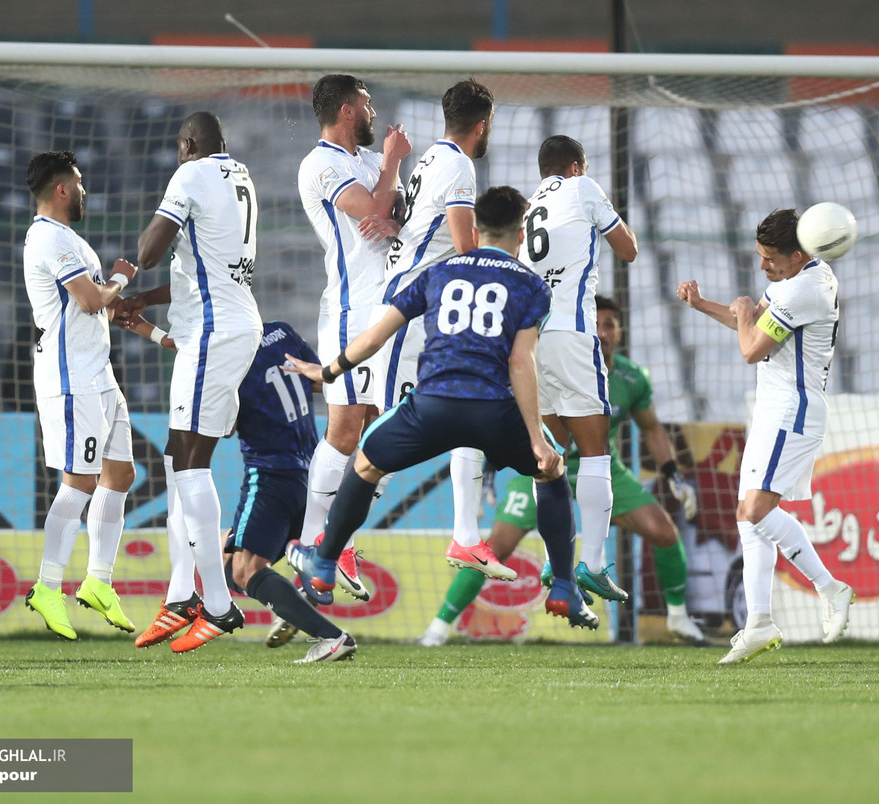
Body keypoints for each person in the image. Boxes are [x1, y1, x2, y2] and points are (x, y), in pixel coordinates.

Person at [283, 186, 599, 630]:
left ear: (474, 229)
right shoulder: (531, 287)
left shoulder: (440, 272)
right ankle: (564, 587)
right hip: (494, 410)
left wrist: (330, 371)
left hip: (432, 406)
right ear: (521, 232)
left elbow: (377, 335)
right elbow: (520, 362)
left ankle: (324, 564)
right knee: (552, 469)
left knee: (366, 461)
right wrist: (533, 438)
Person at [419, 295, 706, 646]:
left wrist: (671, 472)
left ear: (619, 332)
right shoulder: (550, 364)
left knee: (663, 531)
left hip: (603, 470)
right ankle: (438, 627)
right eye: (596, 323)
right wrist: (492, 465)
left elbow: (651, 428)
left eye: (609, 325)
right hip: (541, 467)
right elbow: (507, 414)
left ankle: (678, 619)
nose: (601, 332)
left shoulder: (632, 378)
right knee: (495, 548)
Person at [677, 208, 855, 664]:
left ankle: (830, 588)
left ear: (797, 255)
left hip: (792, 411)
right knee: (747, 515)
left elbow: (752, 349)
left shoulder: (804, 290)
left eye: (770, 259)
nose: (763, 266)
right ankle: (758, 622)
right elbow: (754, 320)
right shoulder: (803, 277)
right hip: (774, 409)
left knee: (755, 510)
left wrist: (741, 313)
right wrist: (709, 307)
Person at [117, 112, 263, 653]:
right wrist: (146, 306)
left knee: (186, 462)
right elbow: (199, 273)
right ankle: (181, 595)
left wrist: (127, 274)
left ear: (186, 145)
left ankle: (218, 605)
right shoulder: (241, 175)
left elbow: (153, 251)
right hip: (228, 323)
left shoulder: (191, 174)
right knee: (181, 460)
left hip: (216, 333)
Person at [367, 78, 504, 578]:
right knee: (385, 432)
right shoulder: (460, 165)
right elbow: (466, 247)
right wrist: (509, 271)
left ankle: (466, 538)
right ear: (482, 125)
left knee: (468, 407)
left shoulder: (431, 158)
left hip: (432, 310)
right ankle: (320, 535)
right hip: (411, 311)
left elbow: (429, 234)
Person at [295, 74, 411, 602]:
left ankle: (337, 542)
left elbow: (393, 220)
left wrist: (385, 189)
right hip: (352, 309)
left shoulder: (364, 165)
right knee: (344, 431)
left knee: (379, 432)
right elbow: (378, 214)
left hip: (390, 309)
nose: (373, 111)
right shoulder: (323, 164)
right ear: (346, 110)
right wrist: (392, 165)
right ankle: (313, 542)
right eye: (366, 104)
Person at [516, 135, 640, 602]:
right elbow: (628, 249)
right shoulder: (583, 186)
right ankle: (590, 562)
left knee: (551, 457)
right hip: (571, 332)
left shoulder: (529, 207)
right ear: (574, 166)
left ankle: (554, 560)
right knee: (595, 452)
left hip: (531, 341)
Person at [21, 150, 139, 640]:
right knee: (80, 483)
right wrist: (120, 277)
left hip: (99, 376)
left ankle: (98, 581)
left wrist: (146, 326)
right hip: (71, 382)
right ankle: (48, 587)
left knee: (122, 473)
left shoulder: (69, 239)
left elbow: (95, 310)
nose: (86, 189)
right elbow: (92, 298)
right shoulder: (47, 237)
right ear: (63, 188)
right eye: (80, 180)